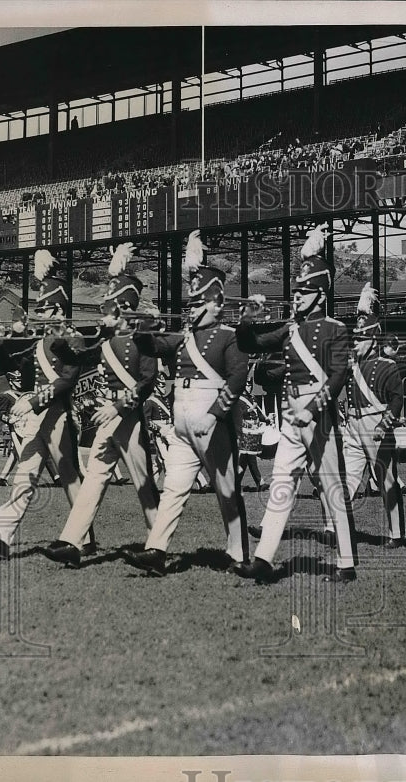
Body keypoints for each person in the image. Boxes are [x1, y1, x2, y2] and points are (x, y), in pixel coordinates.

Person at [234, 226, 358, 583]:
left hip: (317, 414)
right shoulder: (290, 328)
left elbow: (337, 377)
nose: (297, 297)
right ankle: (263, 558)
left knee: (332, 487)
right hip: (292, 416)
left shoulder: (334, 328)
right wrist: (248, 316)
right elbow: (250, 343)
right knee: (280, 484)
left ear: (320, 294)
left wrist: (313, 407)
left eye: (304, 292)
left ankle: (346, 563)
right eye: (297, 291)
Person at [124, 230, 251, 576]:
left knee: (226, 490)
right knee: (174, 489)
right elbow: (150, 347)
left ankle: (239, 553)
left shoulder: (228, 337)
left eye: (199, 304)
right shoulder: (183, 339)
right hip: (181, 423)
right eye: (190, 304)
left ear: (218, 304)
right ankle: (157, 549)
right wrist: (142, 325)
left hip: (211, 422)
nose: (192, 310)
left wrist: (215, 415)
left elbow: (237, 378)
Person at [43, 244, 160, 568]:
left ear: (123, 308)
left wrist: (119, 407)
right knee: (94, 478)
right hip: (108, 417)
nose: (103, 312)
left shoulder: (142, 339)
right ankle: (73, 541)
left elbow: (147, 381)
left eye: (108, 307)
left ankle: (157, 543)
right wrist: (58, 338)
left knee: (143, 483)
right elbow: (77, 355)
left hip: (128, 417)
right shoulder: (106, 341)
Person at [0, 249, 86, 560]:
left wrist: (33, 401)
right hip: (38, 418)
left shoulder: (72, 338)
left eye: (47, 310)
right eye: (41, 310)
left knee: (71, 478)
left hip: (59, 415)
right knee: (24, 477)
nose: (42, 315)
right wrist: (0, 338)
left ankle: (82, 537)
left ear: (60, 310)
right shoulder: (39, 341)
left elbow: (66, 380)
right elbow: (11, 362)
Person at [341, 283, 406, 547]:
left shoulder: (386, 366)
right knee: (346, 478)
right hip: (354, 424)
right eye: (354, 338)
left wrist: (384, 424)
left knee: (386, 479)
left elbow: (397, 400)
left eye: (360, 338)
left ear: (373, 339)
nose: (355, 342)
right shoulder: (352, 365)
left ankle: (396, 533)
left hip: (375, 423)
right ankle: (336, 528)